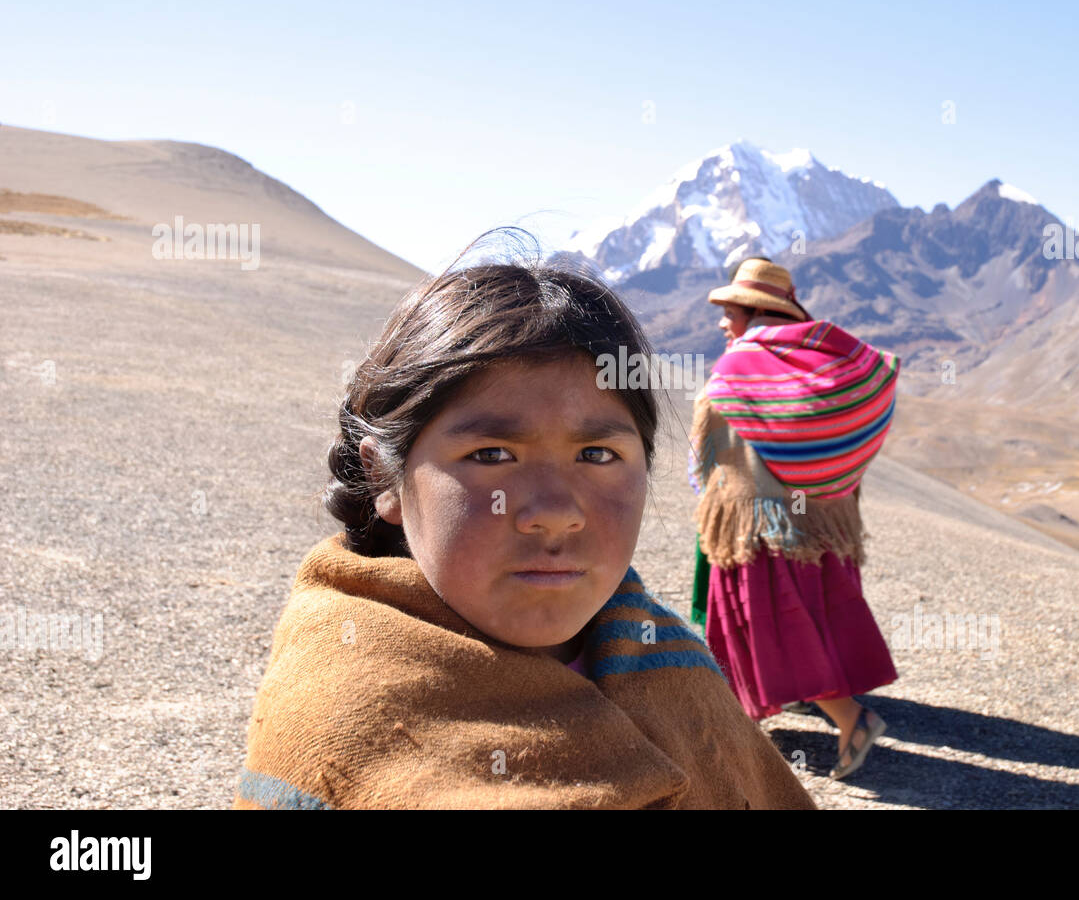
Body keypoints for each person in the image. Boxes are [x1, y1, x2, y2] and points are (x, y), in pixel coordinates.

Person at [233, 229, 815, 809]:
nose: (555, 514)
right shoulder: (343, 716)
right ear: (386, 479)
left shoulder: (671, 663)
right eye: (492, 456)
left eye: (598, 455)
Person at [688, 256, 901, 782]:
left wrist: (710, 489)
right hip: (819, 523)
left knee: (776, 628)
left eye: (729, 310)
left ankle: (853, 719)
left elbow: (709, 452)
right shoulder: (814, 364)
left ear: (756, 310)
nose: (721, 322)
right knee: (811, 619)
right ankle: (773, 711)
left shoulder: (738, 369)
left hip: (756, 528)